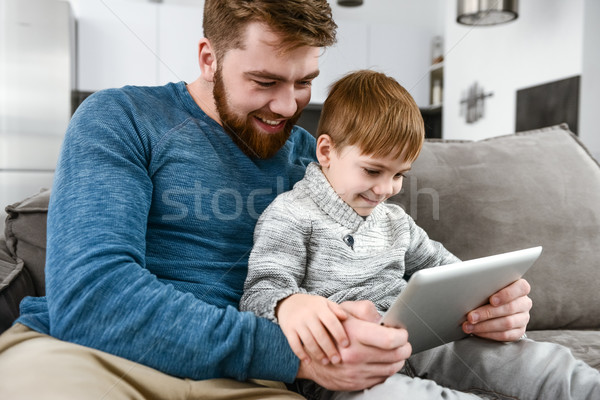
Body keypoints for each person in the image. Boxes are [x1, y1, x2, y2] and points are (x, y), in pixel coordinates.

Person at [0, 2, 413, 399]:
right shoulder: (121, 117)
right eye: (265, 82)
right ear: (208, 58)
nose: (289, 106)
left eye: (304, 82)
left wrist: (463, 310)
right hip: (90, 356)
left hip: (250, 381)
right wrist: (295, 355)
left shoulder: (318, 161)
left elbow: (382, 262)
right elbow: (92, 297)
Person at [241, 70, 600, 399]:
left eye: (399, 175)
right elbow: (262, 292)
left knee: (541, 363)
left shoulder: (395, 221)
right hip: (346, 360)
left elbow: (450, 271)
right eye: (373, 170)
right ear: (326, 152)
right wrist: (292, 305)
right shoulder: (290, 214)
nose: (385, 189)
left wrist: (488, 300)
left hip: (424, 339)